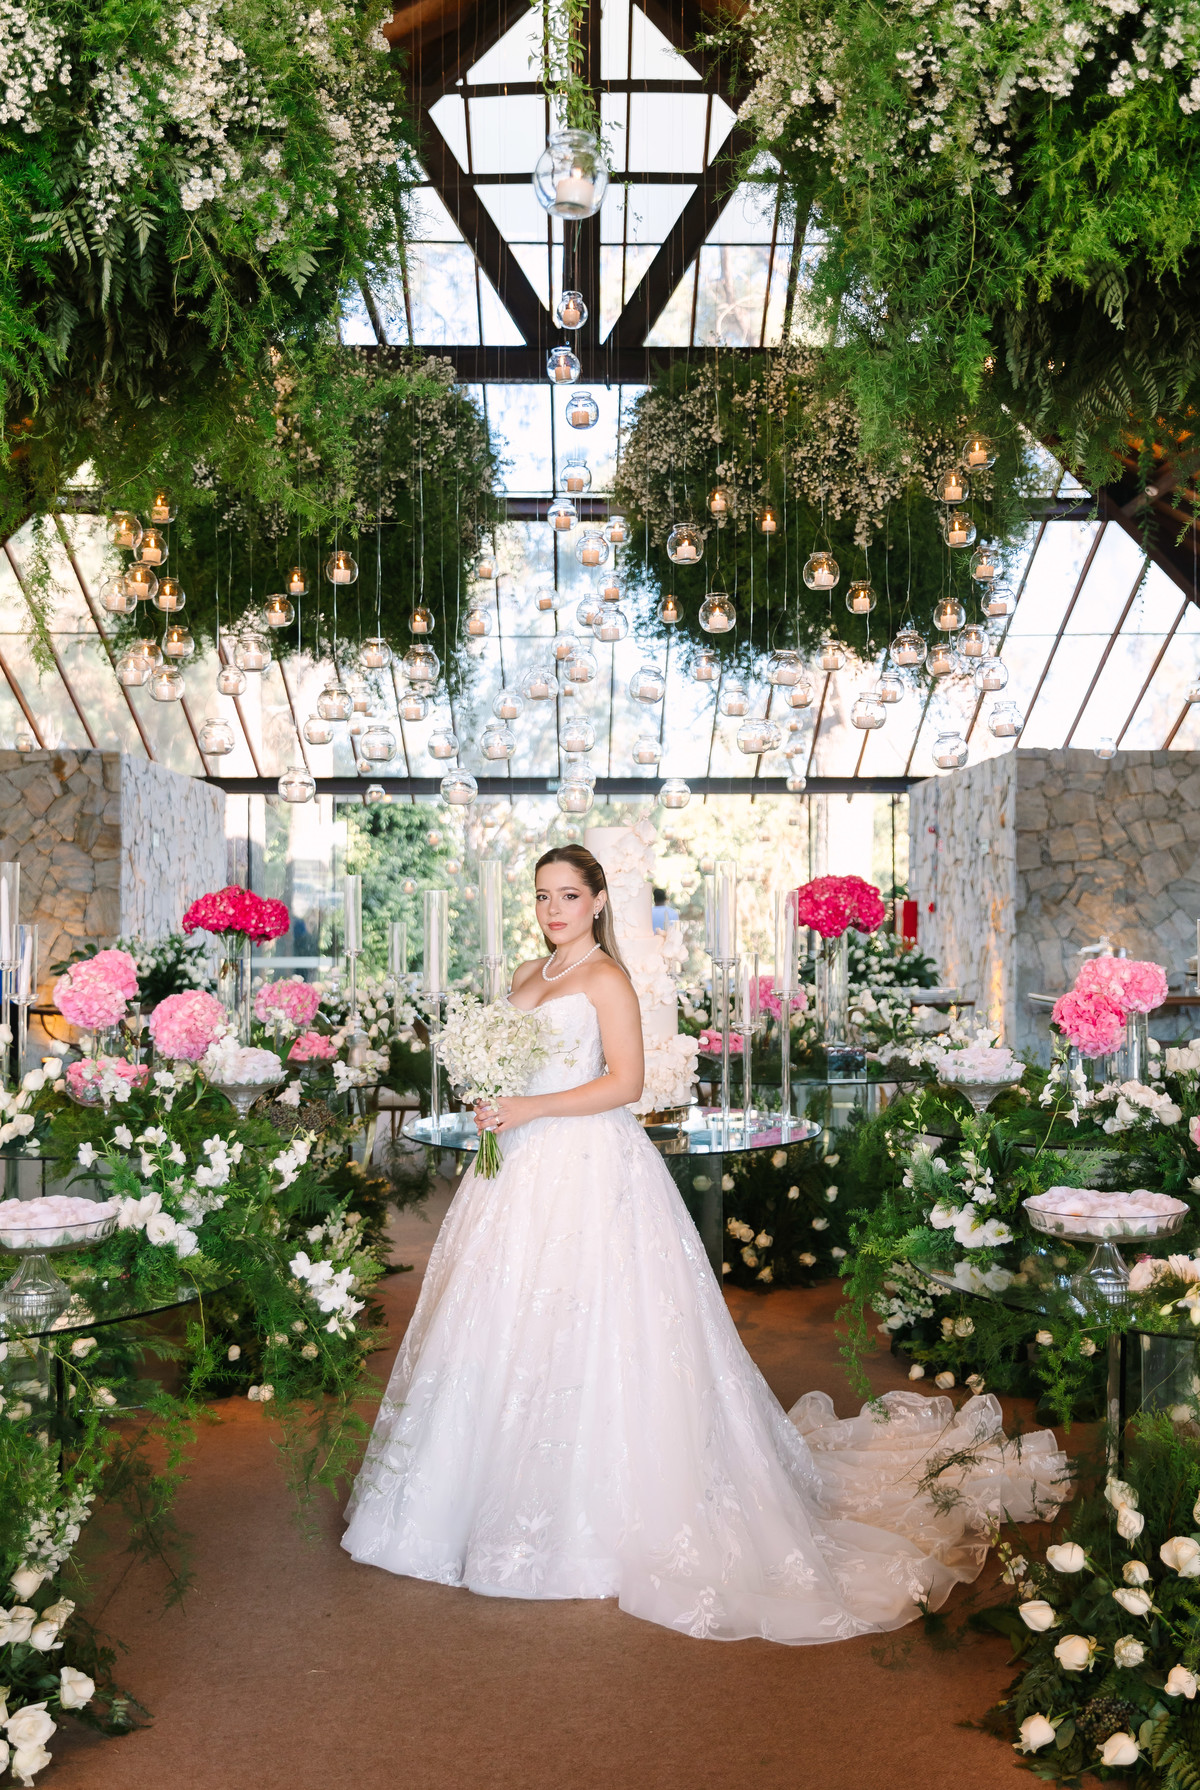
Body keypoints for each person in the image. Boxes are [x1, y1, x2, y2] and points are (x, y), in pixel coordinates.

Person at [342, 845, 1066, 1643]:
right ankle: (468, 1502)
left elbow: (625, 1083)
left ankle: (598, 1520)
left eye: (569, 896)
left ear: (598, 901)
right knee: (499, 1324)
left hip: (585, 1165)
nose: (554, 910)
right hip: (515, 1171)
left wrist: (529, 1106)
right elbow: (519, 1063)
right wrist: (495, 1097)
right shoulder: (526, 972)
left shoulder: (606, 978)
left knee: (600, 1329)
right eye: (544, 896)